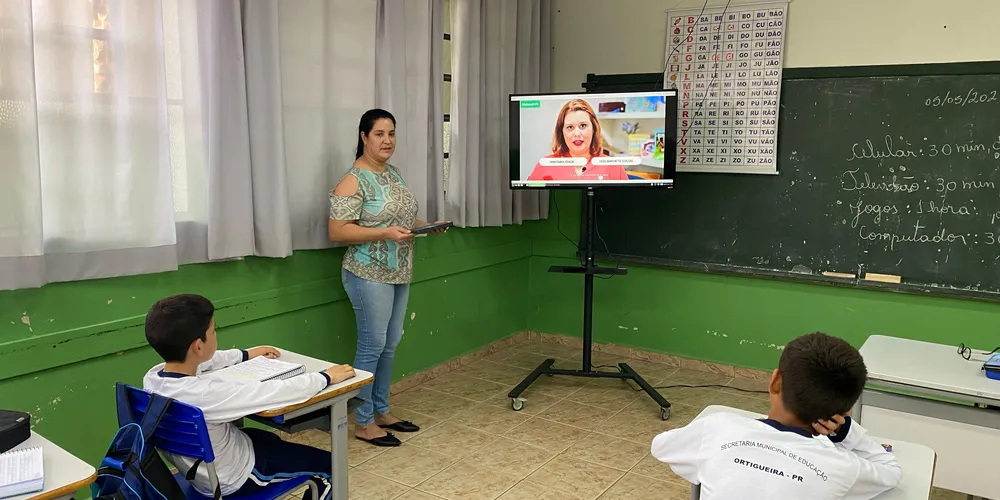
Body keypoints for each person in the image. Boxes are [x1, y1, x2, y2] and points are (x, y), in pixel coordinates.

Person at [142, 294, 357, 499]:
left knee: (269, 439)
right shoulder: (207, 394)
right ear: (198, 345)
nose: (216, 335)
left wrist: (245, 354)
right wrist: (325, 377)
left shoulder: (153, 378)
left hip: (200, 469)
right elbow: (275, 393)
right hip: (234, 478)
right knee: (331, 466)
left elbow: (207, 361)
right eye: (214, 331)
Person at [651, 332, 902, 500]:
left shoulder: (717, 428)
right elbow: (891, 472)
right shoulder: (843, 467)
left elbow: (661, 447)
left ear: (775, 382)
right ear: (843, 411)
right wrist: (847, 432)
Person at [328, 108, 447, 447]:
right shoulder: (353, 179)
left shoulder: (393, 173)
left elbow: (400, 218)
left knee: (390, 345)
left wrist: (425, 227)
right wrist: (384, 234)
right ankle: (363, 422)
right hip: (367, 273)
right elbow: (338, 231)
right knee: (372, 345)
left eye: (391, 133)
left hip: (399, 272)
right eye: (379, 134)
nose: (387, 140)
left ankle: (381, 410)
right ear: (364, 137)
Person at [526, 98, 629, 181]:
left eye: (583, 126)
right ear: (561, 132)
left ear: (594, 129)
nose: (577, 134)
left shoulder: (613, 166)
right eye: (570, 127)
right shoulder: (545, 165)